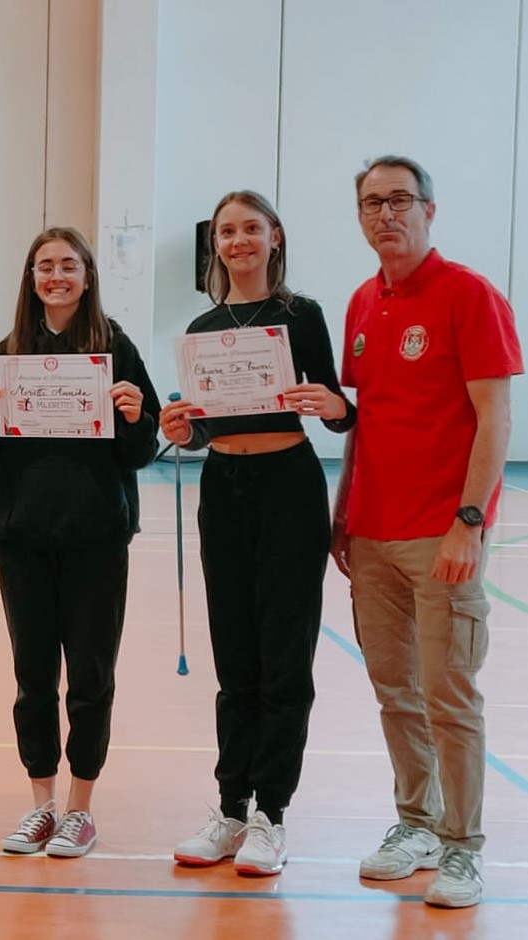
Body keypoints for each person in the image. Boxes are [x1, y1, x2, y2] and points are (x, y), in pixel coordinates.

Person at [331, 156, 521, 909]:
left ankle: (461, 848)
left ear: (429, 210)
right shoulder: (359, 304)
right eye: (371, 203)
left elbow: (494, 418)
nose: (386, 214)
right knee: (395, 693)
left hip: (441, 535)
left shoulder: (468, 295)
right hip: (371, 536)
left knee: (449, 695)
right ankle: (414, 822)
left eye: (399, 200)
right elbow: (364, 422)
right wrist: (343, 512)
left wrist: (467, 523)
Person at [157, 193, 354, 874]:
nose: (237, 240)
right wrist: (185, 429)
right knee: (234, 657)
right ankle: (230, 807)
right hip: (222, 489)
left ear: (274, 238)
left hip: (288, 488)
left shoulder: (302, 315)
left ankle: (272, 810)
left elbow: (333, 407)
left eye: (250, 228)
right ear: (214, 245)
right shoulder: (204, 324)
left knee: (282, 657)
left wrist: (336, 406)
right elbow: (211, 422)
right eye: (225, 231)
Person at [0, 227, 159, 859]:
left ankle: (80, 809)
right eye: (44, 266)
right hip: (22, 537)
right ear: (31, 278)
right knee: (32, 678)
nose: (56, 276)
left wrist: (135, 414)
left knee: (90, 678)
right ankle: (41, 805)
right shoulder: (10, 350)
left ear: (86, 276)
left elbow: (144, 448)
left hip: (96, 538)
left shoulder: (116, 347)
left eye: (68, 266)